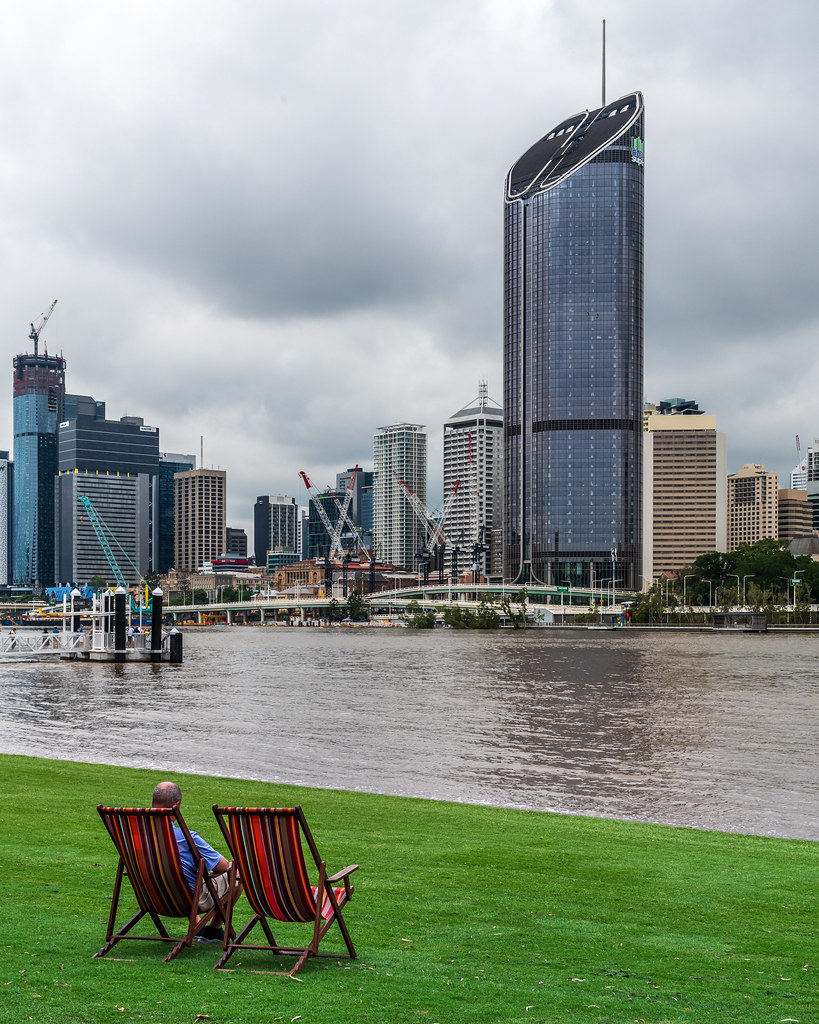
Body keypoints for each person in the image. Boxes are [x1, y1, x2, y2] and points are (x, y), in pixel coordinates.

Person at [151, 780, 235, 943]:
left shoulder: (136, 836)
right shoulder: (187, 837)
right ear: (177, 805)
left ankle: (197, 927)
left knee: (179, 878)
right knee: (237, 872)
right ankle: (212, 931)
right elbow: (224, 866)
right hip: (187, 901)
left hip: (152, 897)